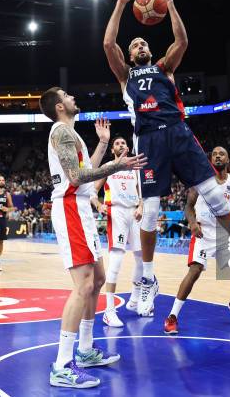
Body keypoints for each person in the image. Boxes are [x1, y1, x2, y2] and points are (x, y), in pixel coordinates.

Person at [104, 0, 230, 316]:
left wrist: (172, 1)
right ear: (130, 54)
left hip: (180, 134)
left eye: (144, 43)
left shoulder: (165, 67)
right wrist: (122, 2)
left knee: (216, 196)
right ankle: (149, 280)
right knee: (150, 212)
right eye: (135, 44)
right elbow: (109, 43)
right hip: (149, 140)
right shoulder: (125, 76)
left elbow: (181, 41)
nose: (140, 45)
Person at [39, 87, 146, 388]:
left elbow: (87, 173)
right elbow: (75, 178)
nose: (74, 96)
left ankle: (85, 351)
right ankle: (62, 365)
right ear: (59, 106)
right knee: (83, 284)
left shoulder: (72, 135)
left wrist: (102, 146)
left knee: (98, 278)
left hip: (81, 207)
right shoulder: (60, 132)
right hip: (70, 207)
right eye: (67, 95)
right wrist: (117, 164)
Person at [164, 147, 230, 334]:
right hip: (202, 233)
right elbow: (188, 207)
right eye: (214, 154)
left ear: (228, 159)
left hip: (225, 235)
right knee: (195, 270)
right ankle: (172, 317)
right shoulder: (200, 181)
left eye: (221, 153)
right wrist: (192, 223)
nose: (217, 156)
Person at [91, 136, 144, 328]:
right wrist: (98, 205)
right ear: (113, 149)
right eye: (117, 144)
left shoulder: (135, 168)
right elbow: (92, 192)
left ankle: (135, 299)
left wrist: (141, 206)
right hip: (117, 212)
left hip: (134, 213)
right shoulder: (108, 166)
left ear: (128, 148)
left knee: (141, 257)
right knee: (117, 260)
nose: (121, 145)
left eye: (123, 143)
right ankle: (109, 311)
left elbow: (142, 194)